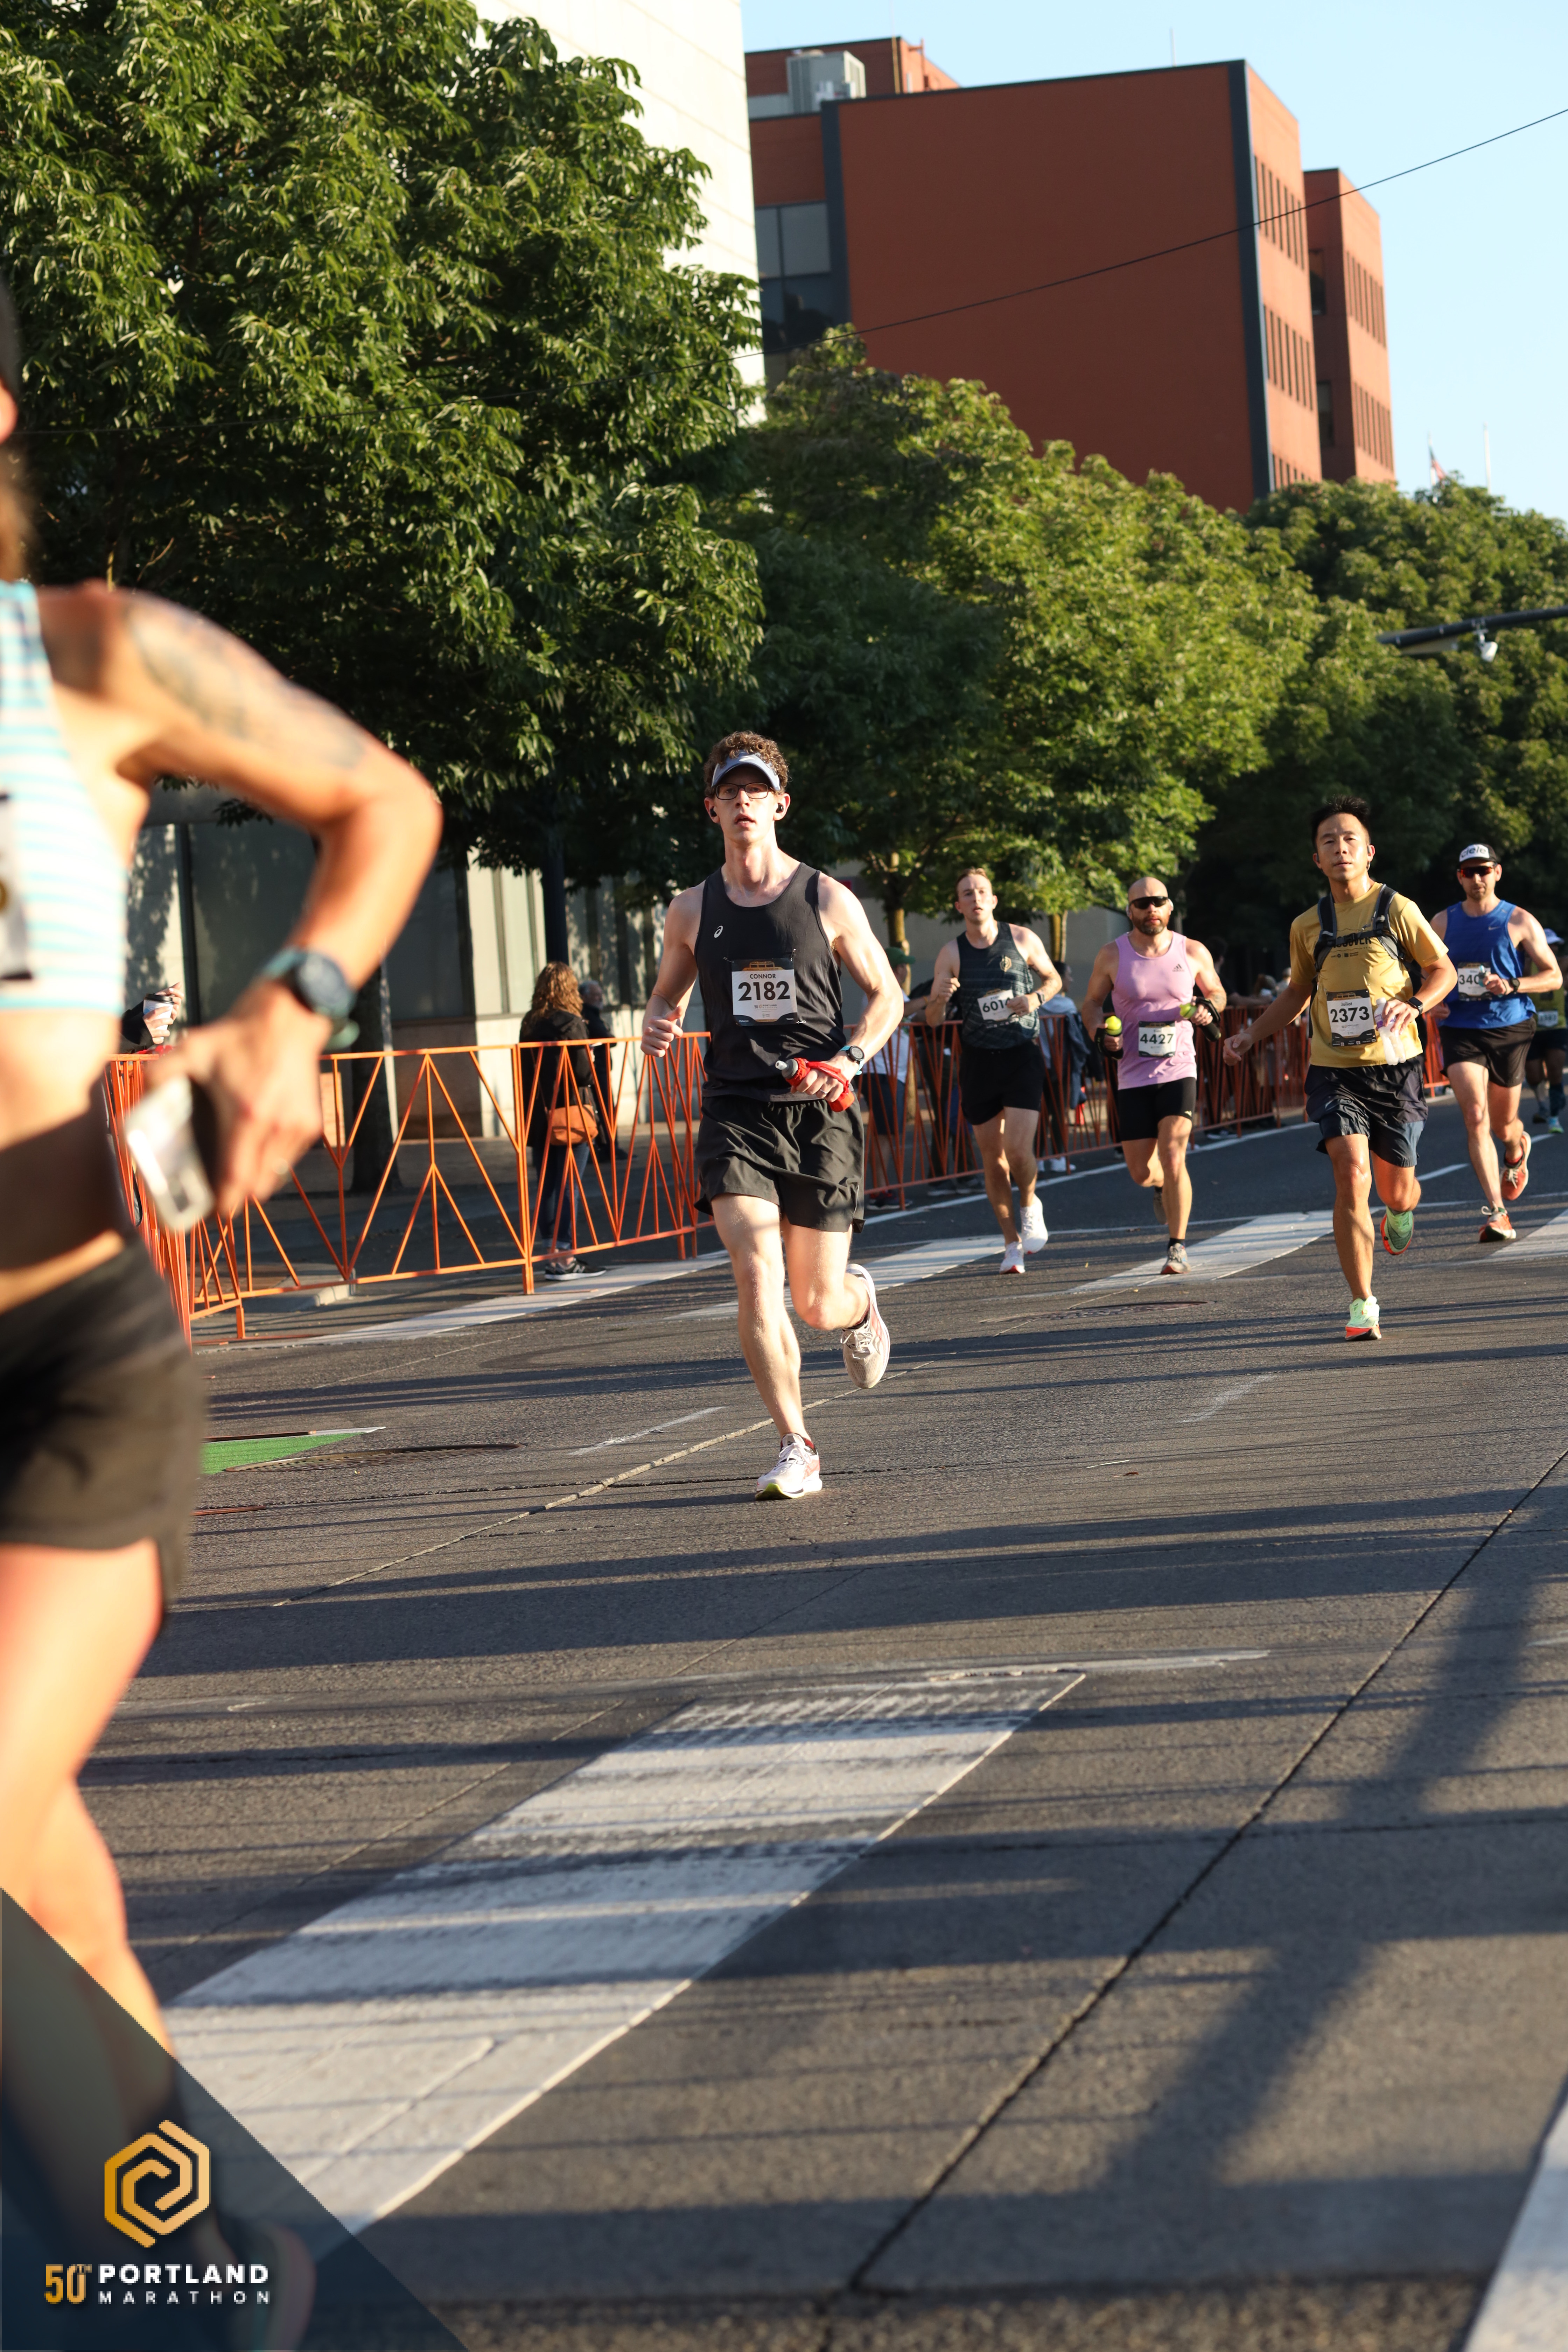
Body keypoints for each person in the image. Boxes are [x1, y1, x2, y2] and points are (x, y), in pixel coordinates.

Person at [0, 268, 440, 2298]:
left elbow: (384, 801)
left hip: (65, 1362)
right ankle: (201, 2271)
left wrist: (290, 1004)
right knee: (47, 1896)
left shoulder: (91, 657)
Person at [640, 732, 904, 1499]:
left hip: (820, 1109)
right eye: (730, 792)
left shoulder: (825, 898)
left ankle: (859, 1307)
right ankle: (797, 1444)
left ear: (780, 805)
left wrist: (848, 1060)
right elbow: (666, 995)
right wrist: (658, 1020)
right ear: (712, 809)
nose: (744, 803)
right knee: (756, 1267)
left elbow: (887, 997)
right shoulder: (691, 908)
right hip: (736, 1108)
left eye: (757, 791)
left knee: (816, 1303)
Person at [1224, 797, 1454, 1340]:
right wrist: (1252, 1034)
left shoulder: (1396, 908)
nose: (1340, 848)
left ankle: (1400, 1213)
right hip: (1334, 1069)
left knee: (1397, 1191)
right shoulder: (1307, 925)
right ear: (1317, 859)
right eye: (1329, 841)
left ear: (1369, 852)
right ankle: (1362, 1302)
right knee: (1351, 1174)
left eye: (1350, 839)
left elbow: (1441, 969)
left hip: (1395, 1067)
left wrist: (1416, 1004)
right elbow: (1297, 993)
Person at [1080, 878, 1225, 1275]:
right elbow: (1091, 1003)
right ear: (1130, 910)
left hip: (1179, 1069)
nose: (1151, 909)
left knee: (1174, 1152)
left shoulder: (1191, 950)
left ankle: (1177, 1247)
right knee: (1141, 1172)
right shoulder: (1112, 955)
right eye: (1142, 904)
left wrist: (1208, 1008)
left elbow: (1217, 991)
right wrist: (1099, 1032)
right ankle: (1160, 1186)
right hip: (1132, 1073)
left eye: (1158, 902)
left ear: (1169, 907)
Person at [924, 868, 1060, 1272]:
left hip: (1021, 1054)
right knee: (992, 1159)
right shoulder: (951, 953)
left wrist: (1035, 998)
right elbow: (932, 1020)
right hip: (979, 1061)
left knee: (1017, 1150)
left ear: (994, 900)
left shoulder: (1021, 939)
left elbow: (1053, 979)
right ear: (959, 906)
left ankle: (1029, 1204)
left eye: (982, 891)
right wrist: (939, 999)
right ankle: (1011, 1244)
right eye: (967, 893)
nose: (976, 898)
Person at [1430, 843, 1562, 1242]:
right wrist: (1432, 1001)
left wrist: (1513, 984)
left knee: (1504, 1125)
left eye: (1483, 871)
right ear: (1459, 877)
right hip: (1460, 1027)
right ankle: (1498, 1212)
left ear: (1497, 873)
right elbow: (1426, 971)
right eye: (1468, 872)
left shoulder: (1519, 920)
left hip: (1509, 1027)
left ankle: (1516, 1148)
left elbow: (1553, 976)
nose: (1477, 878)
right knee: (1475, 1115)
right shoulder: (1441, 922)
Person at [521, 962, 595, 1276]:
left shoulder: (530, 1022)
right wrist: (591, 1056)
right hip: (571, 1112)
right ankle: (565, 1256)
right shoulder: (572, 1022)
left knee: (548, 1184)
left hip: (539, 1115)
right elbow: (583, 1073)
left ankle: (551, 1254)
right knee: (570, 1183)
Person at [864, 952, 911, 1203]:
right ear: (897, 969)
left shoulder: (892, 990)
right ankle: (880, 1191)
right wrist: (930, 998)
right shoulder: (884, 990)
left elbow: (921, 1016)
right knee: (885, 1133)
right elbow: (904, 1011)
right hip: (882, 1071)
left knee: (887, 1132)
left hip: (889, 1072)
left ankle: (882, 1188)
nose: (905, 972)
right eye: (903, 967)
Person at [1526, 929, 1566, 1133]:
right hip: (1532, 1028)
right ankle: (1543, 1106)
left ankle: (1554, 1116)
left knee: (1555, 1071)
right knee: (1534, 1076)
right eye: (1550, 945)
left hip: (1557, 1027)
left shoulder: (1562, 965)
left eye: (1556, 945)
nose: (1554, 949)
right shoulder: (1528, 965)